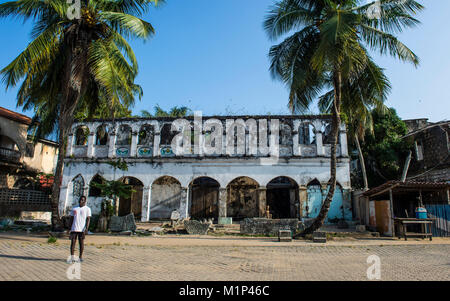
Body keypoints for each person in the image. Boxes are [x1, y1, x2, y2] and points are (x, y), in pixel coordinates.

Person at [68, 196, 91, 263]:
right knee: (73, 243)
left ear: (85, 201)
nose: (81, 201)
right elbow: (71, 219)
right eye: (80, 200)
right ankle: (72, 257)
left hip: (82, 229)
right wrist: (69, 228)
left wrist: (86, 228)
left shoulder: (87, 209)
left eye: (82, 200)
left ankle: (80, 257)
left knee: (81, 243)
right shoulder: (74, 208)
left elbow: (88, 219)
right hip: (74, 228)